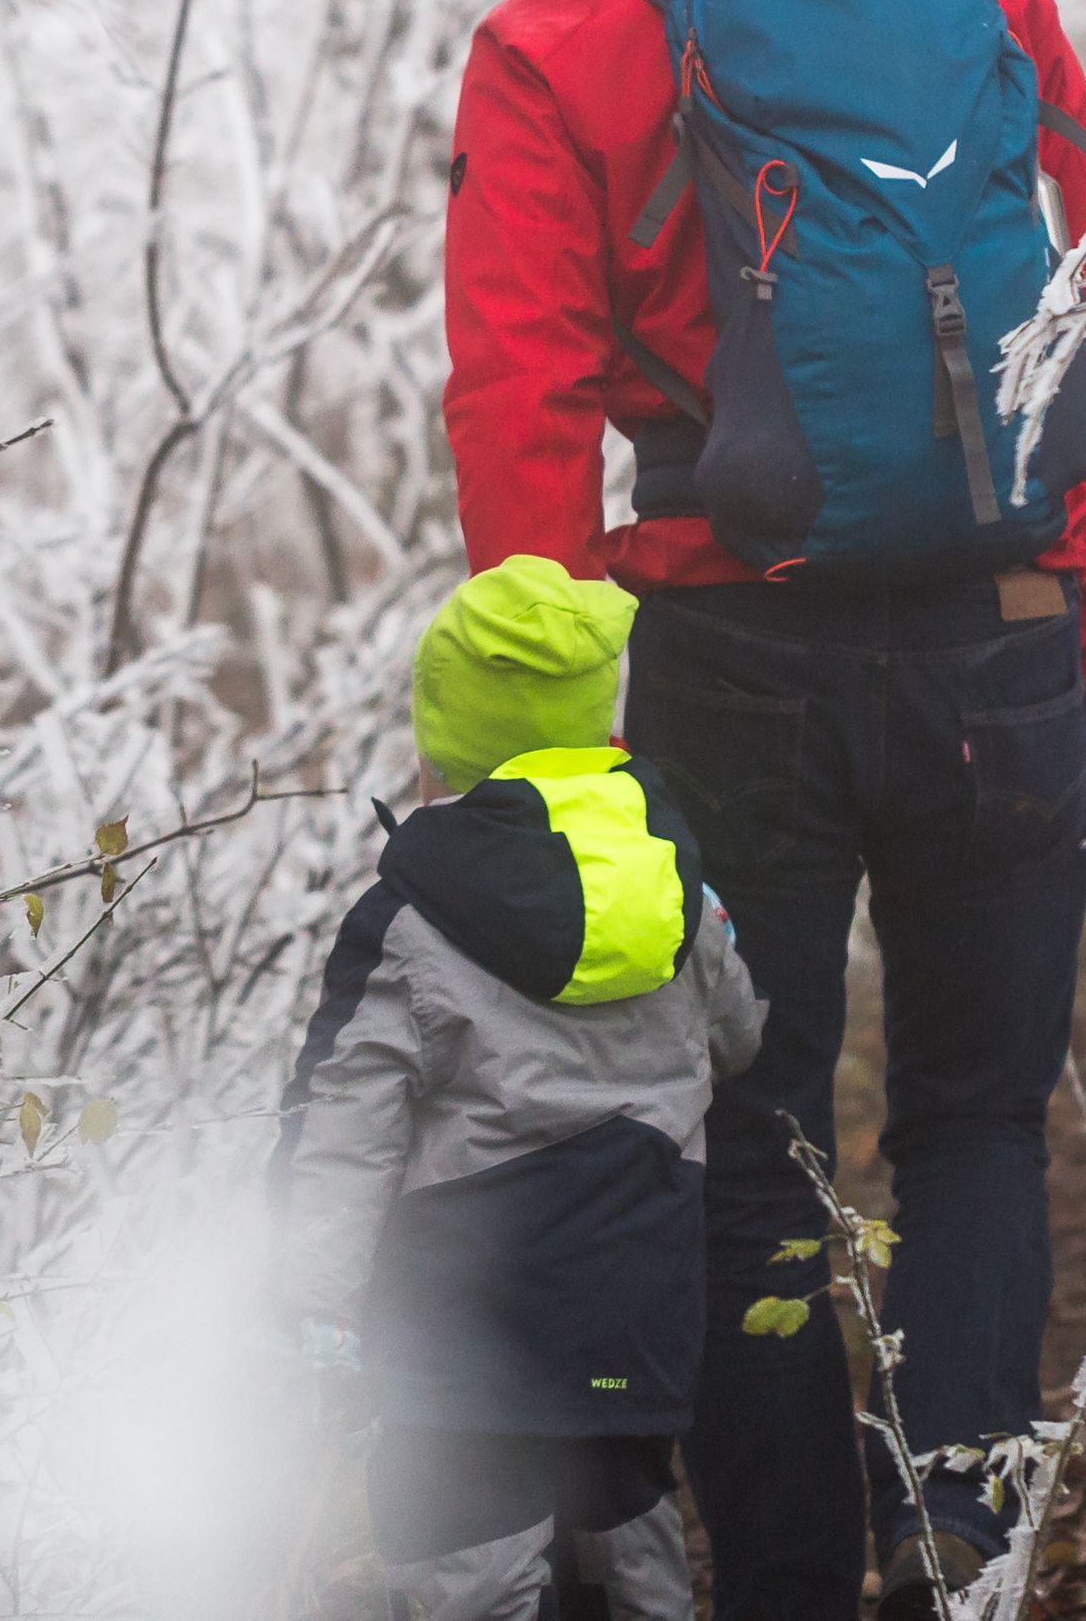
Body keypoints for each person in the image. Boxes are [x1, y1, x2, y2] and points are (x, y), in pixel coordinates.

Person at [442, 0, 1086, 1617]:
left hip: (720, 662)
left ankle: (786, 1588)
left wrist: (538, 772)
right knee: (976, 1123)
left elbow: (517, 410)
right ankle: (964, 1547)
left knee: (750, 1150)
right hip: (996, 636)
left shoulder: (551, 38)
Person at [277, 554, 767, 1620]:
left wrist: (310, 1304)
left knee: (467, 1565)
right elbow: (741, 1032)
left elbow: (341, 1130)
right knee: (634, 1550)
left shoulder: (409, 914)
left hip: (467, 1317)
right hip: (636, 1296)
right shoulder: (670, 875)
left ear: (444, 730)